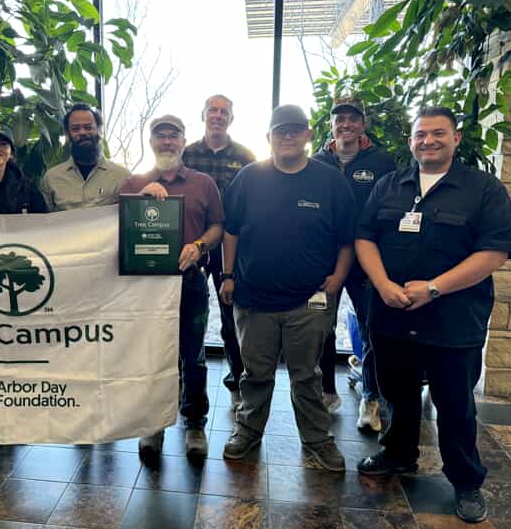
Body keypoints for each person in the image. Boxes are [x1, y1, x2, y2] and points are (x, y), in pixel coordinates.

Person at [355, 106, 511, 523]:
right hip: (392, 315)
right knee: (398, 395)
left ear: (456, 138)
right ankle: (398, 454)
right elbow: (364, 238)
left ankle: (466, 482)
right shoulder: (391, 185)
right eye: (421, 134)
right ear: (410, 140)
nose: (428, 140)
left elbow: (494, 252)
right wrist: (383, 285)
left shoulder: (483, 189)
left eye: (438, 133)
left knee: (455, 406)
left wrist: (433, 289)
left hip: (453, 321)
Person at [219, 104, 355, 471]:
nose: (288, 136)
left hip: (308, 301)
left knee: (307, 376)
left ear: (309, 135)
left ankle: (317, 440)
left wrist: (338, 277)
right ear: (269, 137)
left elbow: (347, 239)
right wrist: (227, 275)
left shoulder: (330, 181)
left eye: (296, 130)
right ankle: (247, 432)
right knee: (255, 375)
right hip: (254, 300)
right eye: (281, 131)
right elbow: (230, 230)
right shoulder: (249, 178)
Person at [120, 114, 224, 461]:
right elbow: (115, 229)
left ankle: (194, 422)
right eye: (160, 136)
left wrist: (199, 246)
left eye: (173, 135)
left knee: (193, 357)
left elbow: (217, 227)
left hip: (191, 285)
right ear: (151, 142)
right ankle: (153, 423)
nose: (167, 141)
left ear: (183, 141)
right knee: (152, 357)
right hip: (147, 290)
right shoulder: (133, 183)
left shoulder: (203, 183)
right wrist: (139, 201)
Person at [312, 97, 396, 429]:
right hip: (324, 258)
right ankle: (325, 392)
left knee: (371, 327)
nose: (346, 124)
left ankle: (371, 398)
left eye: (352, 119)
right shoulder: (317, 162)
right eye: (339, 119)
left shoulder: (382, 161)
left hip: (367, 257)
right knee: (321, 326)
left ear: (363, 124)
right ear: (331, 125)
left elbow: (391, 210)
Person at [182, 94, 255, 411]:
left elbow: (254, 203)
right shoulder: (186, 154)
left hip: (230, 246)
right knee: (185, 316)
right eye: (213, 110)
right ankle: (182, 383)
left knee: (230, 317)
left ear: (231, 119)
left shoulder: (245, 156)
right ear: (203, 115)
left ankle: (238, 381)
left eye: (224, 111)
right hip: (193, 247)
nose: (218, 115)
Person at [41, 103, 130, 211]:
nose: (82, 132)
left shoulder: (121, 176)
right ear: (68, 134)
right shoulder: (51, 178)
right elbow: (44, 222)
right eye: (75, 129)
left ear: (99, 130)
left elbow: (129, 218)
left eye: (88, 127)